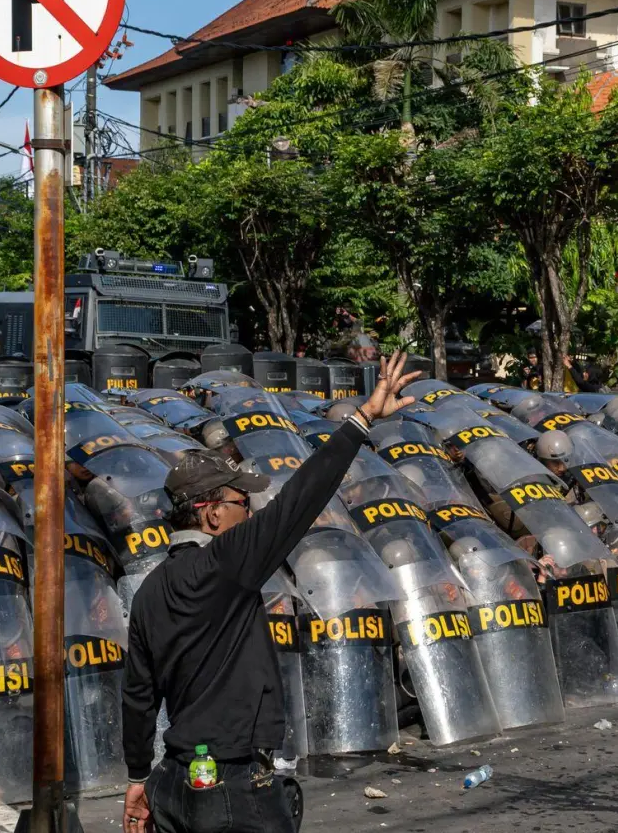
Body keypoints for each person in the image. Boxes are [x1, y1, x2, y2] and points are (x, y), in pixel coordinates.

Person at [122, 353, 420, 833]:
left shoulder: (149, 591)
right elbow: (299, 499)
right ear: (212, 513)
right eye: (242, 502)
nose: (250, 510)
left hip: (175, 783)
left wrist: (138, 775)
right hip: (233, 789)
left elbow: (138, 697)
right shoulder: (227, 563)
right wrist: (361, 420)